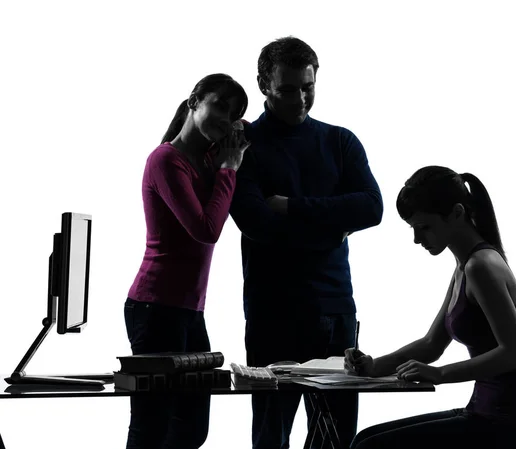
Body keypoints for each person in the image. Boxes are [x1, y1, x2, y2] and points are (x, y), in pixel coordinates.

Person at [229, 36, 384, 449]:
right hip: (271, 316)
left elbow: (371, 207)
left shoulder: (340, 141)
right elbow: (254, 222)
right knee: (270, 437)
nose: (300, 98)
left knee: (336, 441)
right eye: (287, 89)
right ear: (263, 84)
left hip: (335, 314)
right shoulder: (244, 146)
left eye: (308, 86)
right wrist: (333, 224)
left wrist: (290, 208)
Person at [344, 165, 516, 449]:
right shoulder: (465, 265)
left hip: (504, 429)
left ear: (458, 214)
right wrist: (374, 366)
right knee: (364, 439)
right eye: (413, 228)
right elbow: (432, 344)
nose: (416, 239)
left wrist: (440, 374)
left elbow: (515, 353)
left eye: (424, 227)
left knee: (367, 447)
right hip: (483, 415)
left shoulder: (481, 266)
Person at [124, 73, 250, 449]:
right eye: (219, 106)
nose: (225, 119)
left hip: (190, 311)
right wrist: (229, 169)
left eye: (234, 115)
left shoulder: (212, 161)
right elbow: (206, 229)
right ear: (195, 101)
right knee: (152, 425)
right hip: (154, 307)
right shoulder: (166, 160)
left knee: (192, 427)